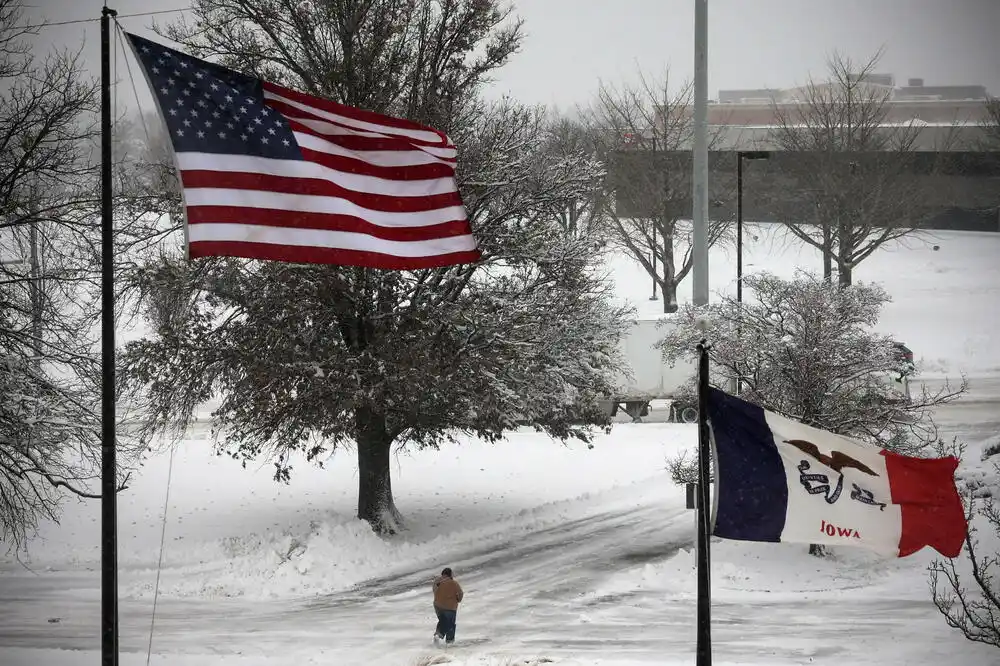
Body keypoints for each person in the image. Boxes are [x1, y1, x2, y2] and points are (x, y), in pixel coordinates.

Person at [432, 567, 464, 645]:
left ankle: (438, 634)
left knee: (443, 620)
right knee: (450, 623)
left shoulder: (437, 582)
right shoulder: (453, 583)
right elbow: (460, 593)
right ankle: (448, 640)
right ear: (450, 574)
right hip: (450, 606)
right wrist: (458, 600)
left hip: (437, 605)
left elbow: (435, 591)